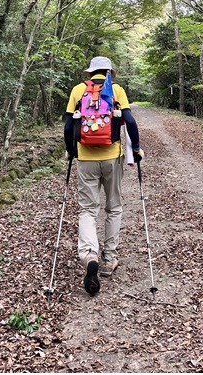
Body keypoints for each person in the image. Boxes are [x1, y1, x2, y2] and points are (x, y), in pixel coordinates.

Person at [64, 56, 142, 296]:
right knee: (113, 207)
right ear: (109, 72)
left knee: (88, 209)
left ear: (90, 73)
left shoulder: (78, 90)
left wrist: (71, 151)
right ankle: (109, 258)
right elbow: (129, 121)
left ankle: (89, 255)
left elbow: (68, 127)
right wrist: (136, 149)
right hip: (112, 156)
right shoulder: (117, 90)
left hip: (86, 158)